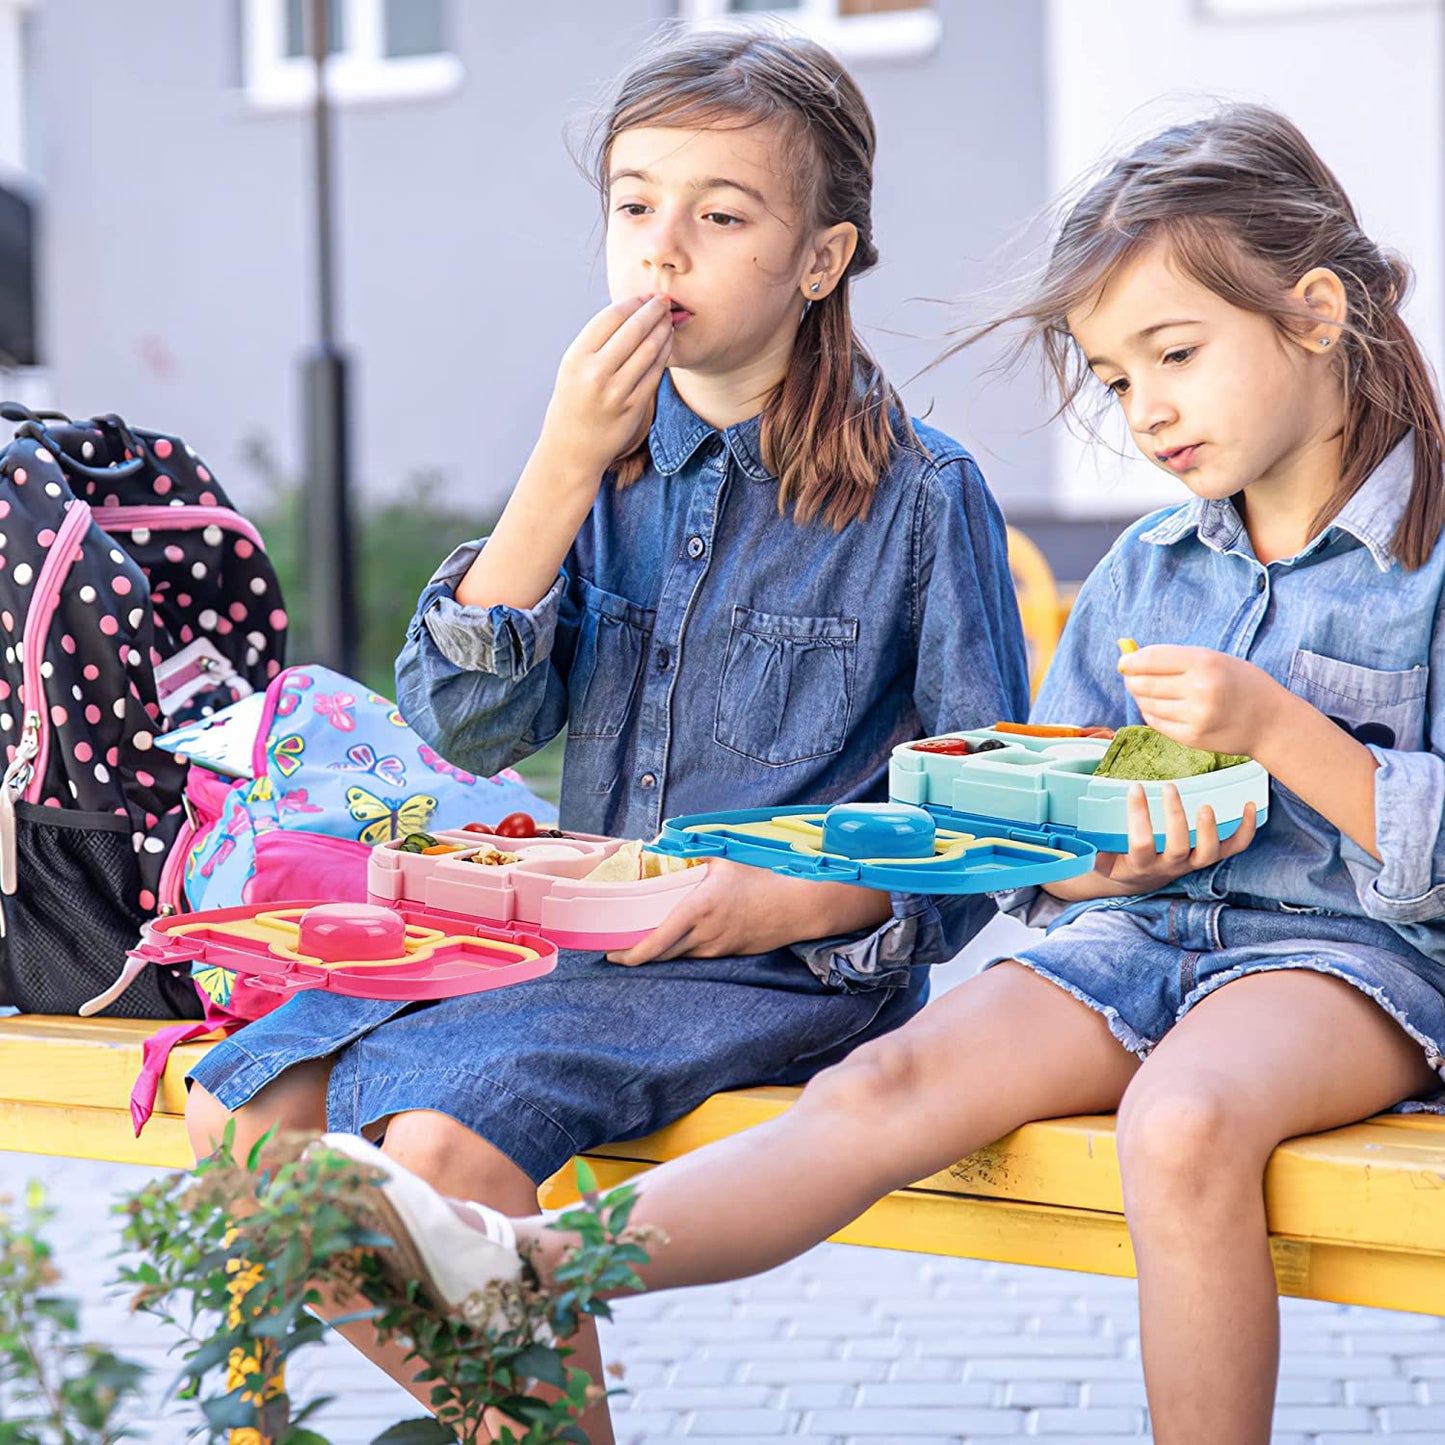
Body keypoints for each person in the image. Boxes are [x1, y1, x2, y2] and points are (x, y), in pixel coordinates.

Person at [319, 104, 1445, 1444]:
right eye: (1112, 376)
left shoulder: (1423, 560)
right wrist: (1100, 852)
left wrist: (1275, 730)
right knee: (885, 1086)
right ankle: (525, 1271)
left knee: (1182, 1119)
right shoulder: (1148, 568)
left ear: (1314, 315)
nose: (1143, 410)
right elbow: (1042, 837)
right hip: (1128, 937)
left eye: (1174, 356)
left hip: (1340, 958)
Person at [184, 26, 1027, 1442]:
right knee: (239, 1120)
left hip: (782, 963)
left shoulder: (920, 495)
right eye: (634, 206)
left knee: (441, 1144)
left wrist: (778, 894)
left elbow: (991, 826)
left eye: (719, 214)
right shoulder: (601, 455)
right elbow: (467, 716)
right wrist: (559, 464)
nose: (662, 249)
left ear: (820, 258)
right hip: (571, 939)